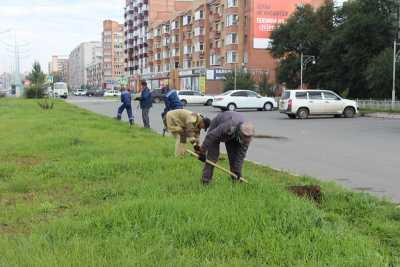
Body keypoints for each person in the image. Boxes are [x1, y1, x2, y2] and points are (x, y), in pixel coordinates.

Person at [195, 111, 255, 185]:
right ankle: (205, 181)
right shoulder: (228, 126)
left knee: (234, 158)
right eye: (242, 139)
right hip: (217, 127)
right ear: (239, 133)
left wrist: (237, 170)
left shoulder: (247, 136)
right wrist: (202, 151)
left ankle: (236, 180)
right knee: (212, 157)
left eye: (245, 140)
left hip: (232, 134)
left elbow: (240, 155)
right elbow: (211, 136)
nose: (244, 141)